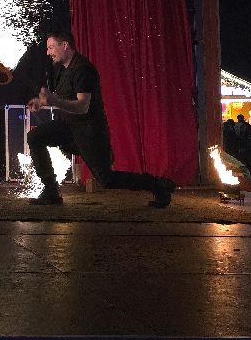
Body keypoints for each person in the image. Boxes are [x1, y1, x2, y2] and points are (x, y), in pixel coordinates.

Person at [26, 31, 176, 208]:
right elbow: (65, 97)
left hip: (89, 131)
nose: (48, 52)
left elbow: (82, 106)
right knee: (35, 137)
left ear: (64, 45)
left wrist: (54, 101)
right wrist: (42, 102)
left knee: (106, 179)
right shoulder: (62, 68)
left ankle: (157, 184)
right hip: (69, 126)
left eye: (51, 47)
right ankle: (51, 192)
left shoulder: (83, 69)